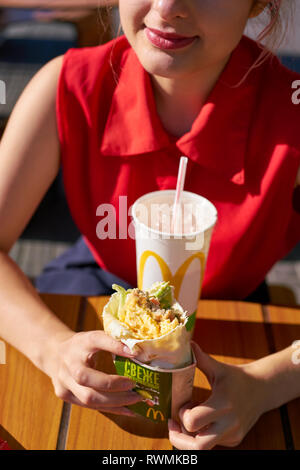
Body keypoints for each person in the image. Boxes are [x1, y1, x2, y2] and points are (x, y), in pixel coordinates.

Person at [0, 0, 299, 450]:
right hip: (97, 290)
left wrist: (268, 381)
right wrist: (53, 349)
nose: (167, 8)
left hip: (232, 319)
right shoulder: (68, 84)